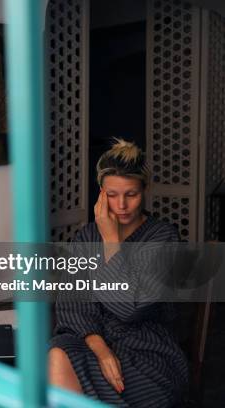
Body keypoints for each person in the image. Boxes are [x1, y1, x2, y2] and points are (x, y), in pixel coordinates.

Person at [48, 138, 188, 406]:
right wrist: (101, 350)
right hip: (94, 342)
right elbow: (71, 307)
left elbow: (131, 306)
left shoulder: (162, 237)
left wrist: (111, 240)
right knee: (56, 354)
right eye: (112, 195)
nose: (121, 205)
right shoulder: (86, 237)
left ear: (145, 190)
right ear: (101, 193)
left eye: (131, 194)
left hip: (149, 350)